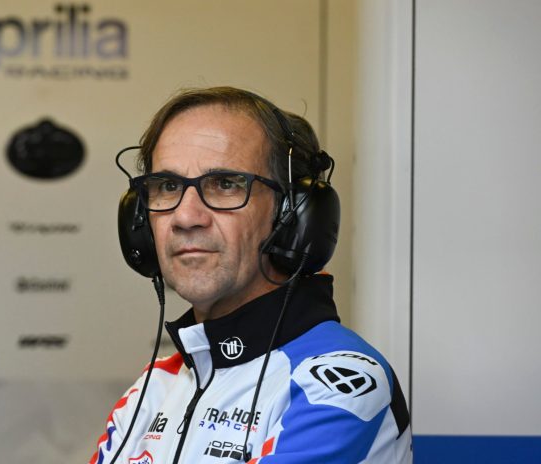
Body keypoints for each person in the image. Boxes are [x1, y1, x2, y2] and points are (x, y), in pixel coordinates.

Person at [91, 87, 412, 463]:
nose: (185, 217)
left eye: (225, 184)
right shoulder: (151, 390)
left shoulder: (339, 384)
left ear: (290, 216)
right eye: (168, 186)